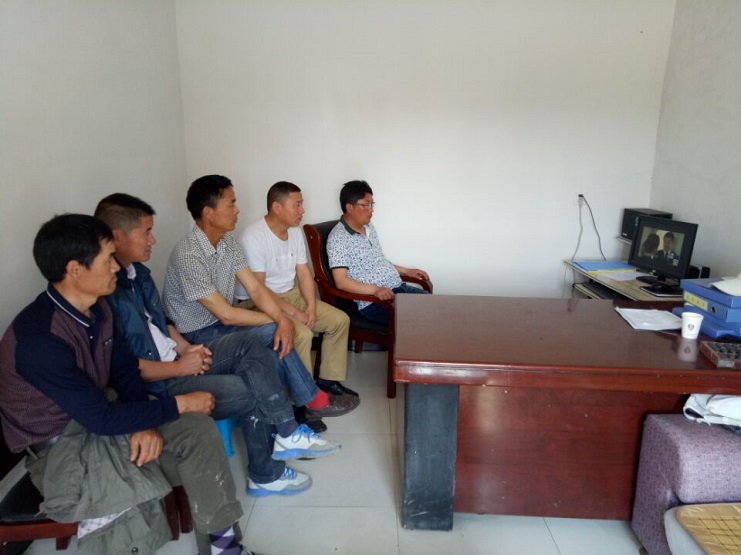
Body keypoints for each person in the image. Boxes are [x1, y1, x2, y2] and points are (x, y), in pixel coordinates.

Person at [0, 214, 252, 555]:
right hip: (62, 450)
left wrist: (143, 422)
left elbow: (124, 372)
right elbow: (99, 419)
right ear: (75, 270)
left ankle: (224, 547)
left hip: (105, 415)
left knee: (196, 430)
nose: (116, 268)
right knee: (127, 497)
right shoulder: (39, 340)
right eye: (107, 259)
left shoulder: (98, 308)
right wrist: (180, 403)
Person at [95, 193, 339, 500]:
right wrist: (180, 364)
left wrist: (183, 349)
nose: (153, 240)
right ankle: (275, 457)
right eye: (147, 232)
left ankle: (287, 433)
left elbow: (162, 322)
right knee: (260, 373)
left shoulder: (139, 274)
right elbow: (126, 366)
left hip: (186, 350)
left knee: (264, 347)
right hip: (184, 353)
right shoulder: (172, 261)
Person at [162, 175, 358, 432]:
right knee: (276, 330)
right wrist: (281, 318)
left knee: (280, 329)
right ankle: (309, 401)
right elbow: (227, 314)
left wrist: (282, 318)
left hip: (221, 326)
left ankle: (309, 400)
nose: (237, 210)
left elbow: (255, 288)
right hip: (196, 335)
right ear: (208, 212)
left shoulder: (228, 243)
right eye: (231, 204)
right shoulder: (189, 254)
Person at [236, 182, 356, 398]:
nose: (302, 211)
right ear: (277, 207)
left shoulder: (295, 232)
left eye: (302, 204)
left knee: (339, 321)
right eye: (297, 205)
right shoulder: (253, 237)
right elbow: (259, 290)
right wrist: (296, 314)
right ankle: (304, 397)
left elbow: (303, 272)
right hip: (261, 302)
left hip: (292, 294)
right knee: (302, 333)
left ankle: (328, 381)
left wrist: (310, 306)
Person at [326, 180, 430, 326]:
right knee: (423, 321)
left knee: (435, 307)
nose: (372, 210)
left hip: (398, 288)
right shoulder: (338, 238)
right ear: (349, 207)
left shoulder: (369, 228)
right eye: (366, 205)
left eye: (372, 204)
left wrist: (407, 271)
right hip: (374, 302)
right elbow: (341, 282)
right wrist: (375, 290)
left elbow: (378, 261)